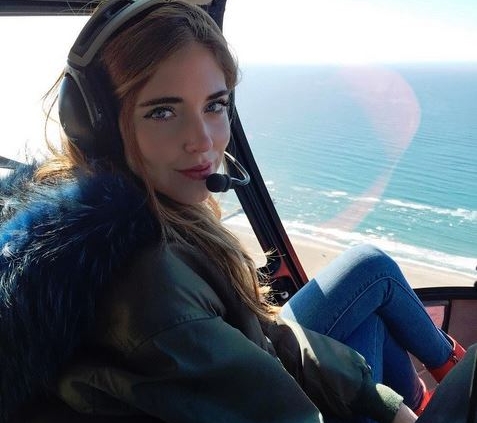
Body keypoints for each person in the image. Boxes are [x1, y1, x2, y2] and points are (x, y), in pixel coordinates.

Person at [0, 1, 466, 422]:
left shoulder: (129, 212)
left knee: (369, 274)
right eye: (163, 111)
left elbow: (264, 333)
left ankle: (430, 388)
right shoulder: (149, 290)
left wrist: (383, 404)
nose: (203, 141)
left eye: (215, 105)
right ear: (97, 126)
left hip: (248, 363)